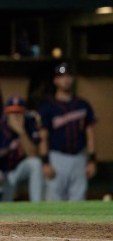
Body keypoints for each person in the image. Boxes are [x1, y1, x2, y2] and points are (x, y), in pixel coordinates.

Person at [38, 62, 97, 201]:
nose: (65, 79)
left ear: (73, 78)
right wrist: (45, 162)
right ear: (55, 80)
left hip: (79, 157)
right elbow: (43, 136)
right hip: (57, 158)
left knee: (79, 202)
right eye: (61, 76)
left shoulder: (83, 105)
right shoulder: (48, 108)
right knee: (53, 203)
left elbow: (90, 134)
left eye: (69, 75)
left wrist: (92, 160)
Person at [0, 96, 42, 202]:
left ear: (24, 113)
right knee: (5, 206)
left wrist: (21, 132)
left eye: (19, 112)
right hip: (1, 173)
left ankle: (36, 205)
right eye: (12, 112)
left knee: (35, 163)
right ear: (6, 114)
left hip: (19, 170)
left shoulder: (28, 125)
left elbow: (33, 155)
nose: (15, 116)